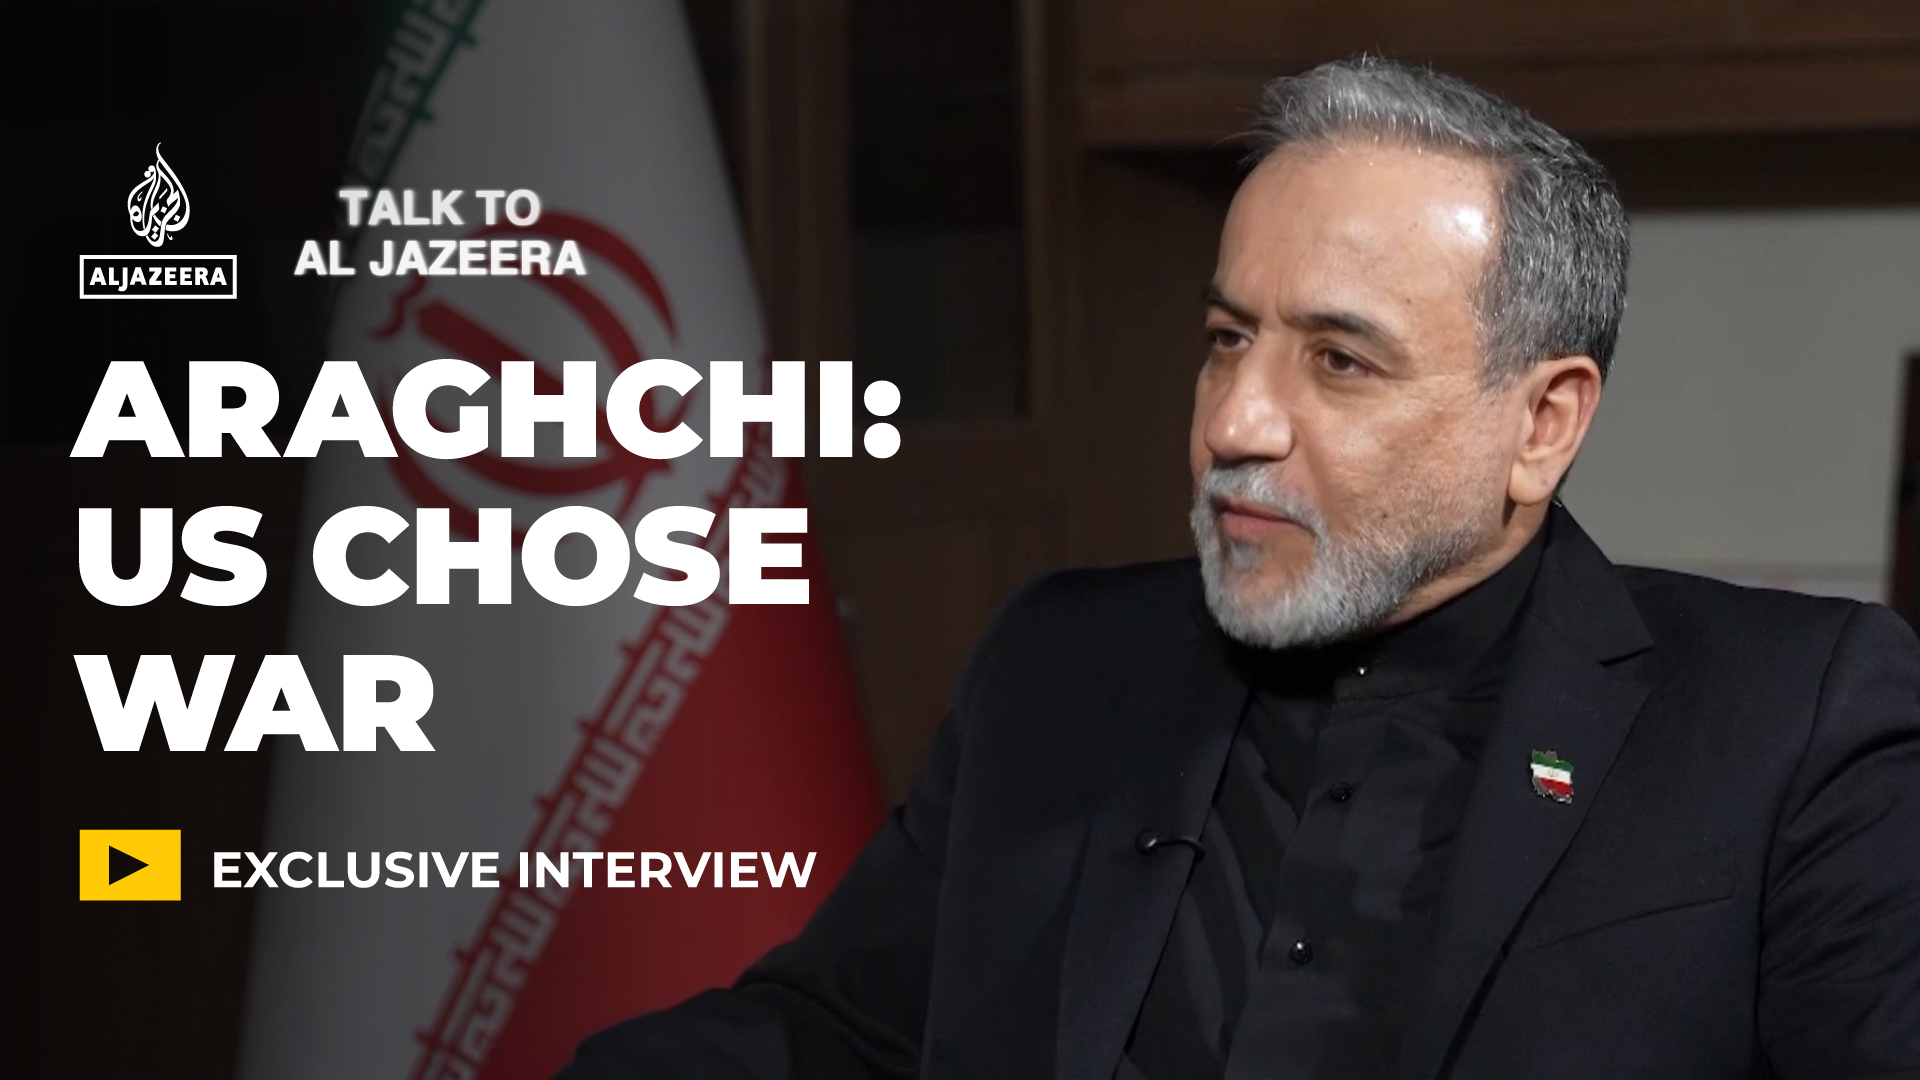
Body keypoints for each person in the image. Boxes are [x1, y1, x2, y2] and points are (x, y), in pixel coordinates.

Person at [556, 56, 1920, 1079]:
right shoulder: (1060, 664)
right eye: (1226, 341)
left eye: (1339, 361)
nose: (1237, 423)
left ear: (1543, 423)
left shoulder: (1788, 719)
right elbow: (834, 1036)